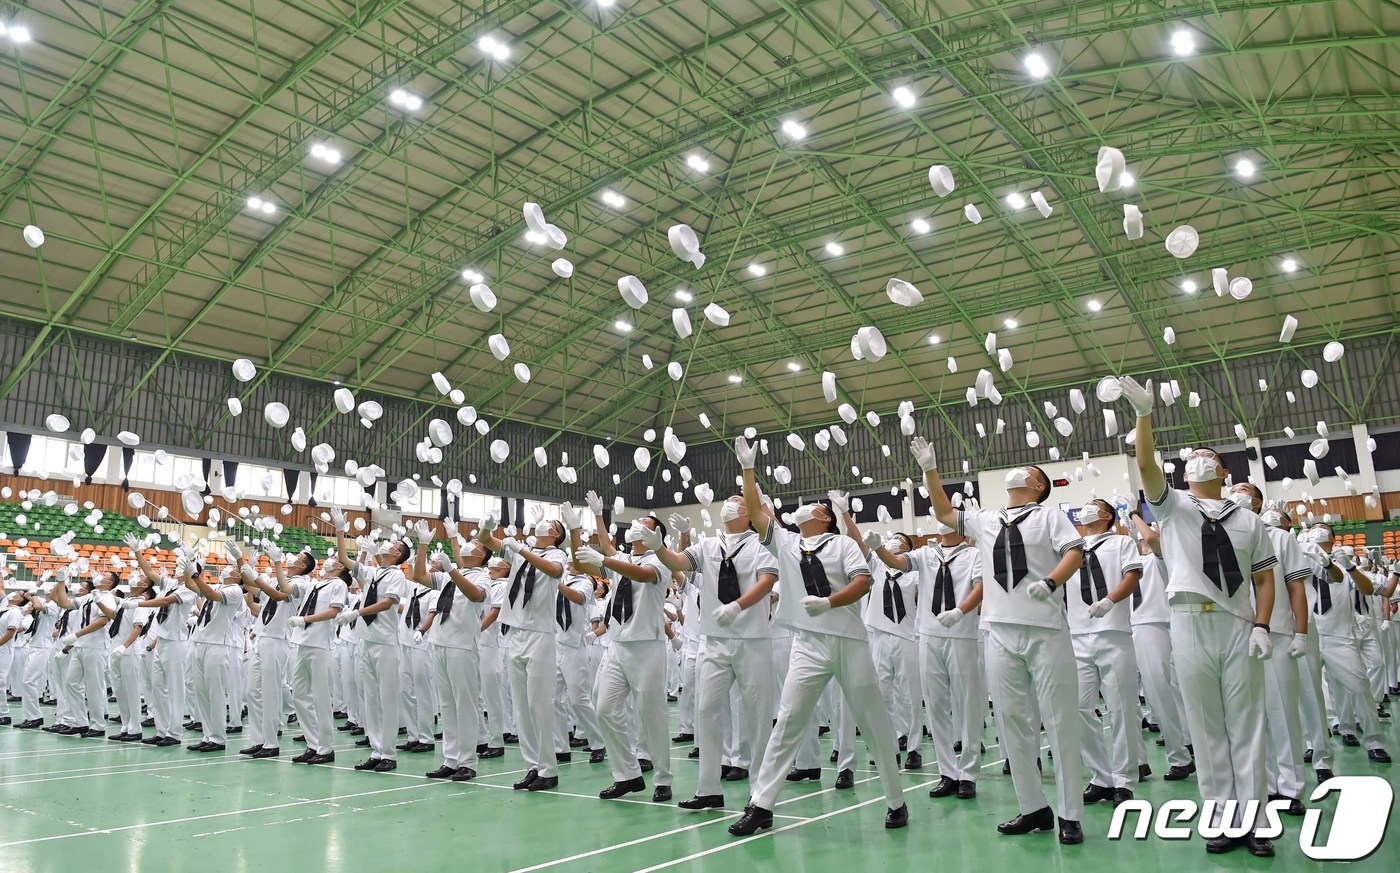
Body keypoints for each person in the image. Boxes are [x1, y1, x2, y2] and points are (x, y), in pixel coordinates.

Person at [1122, 375, 1279, 856]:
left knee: (1247, 723)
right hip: (1188, 621)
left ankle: (1254, 823)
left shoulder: (1249, 518)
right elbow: (1147, 465)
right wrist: (1145, 414)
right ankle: (1220, 819)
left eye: (1208, 455)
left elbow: (1264, 579)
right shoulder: (1174, 508)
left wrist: (1261, 625)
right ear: (1185, 472)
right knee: (1206, 726)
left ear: (1222, 470)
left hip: (1237, 624)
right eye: (1192, 457)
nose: (1199, 457)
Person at [729, 436, 908, 836]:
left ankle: (896, 800)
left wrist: (829, 603)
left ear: (825, 517)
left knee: (874, 722)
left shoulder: (843, 544)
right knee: (788, 722)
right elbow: (756, 512)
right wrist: (748, 469)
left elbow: (862, 584)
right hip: (807, 645)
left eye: (817, 507)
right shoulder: (787, 542)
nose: (807, 507)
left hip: (847, 641)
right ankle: (761, 805)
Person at [916, 436, 1085, 843]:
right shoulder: (986, 518)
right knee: (1012, 722)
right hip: (998, 629)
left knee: (1059, 719)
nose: (1018, 471)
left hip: (1044, 627)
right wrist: (930, 468)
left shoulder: (1048, 517)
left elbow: (1074, 551)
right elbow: (943, 512)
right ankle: (1033, 807)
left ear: (1038, 486)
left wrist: (1051, 580)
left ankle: (1070, 813)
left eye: (1029, 471)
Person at [651, 494, 778, 811]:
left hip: (752, 638)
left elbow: (767, 581)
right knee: (706, 711)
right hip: (714, 640)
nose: (729, 504)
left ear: (749, 512)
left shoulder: (762, 543)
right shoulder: (709, 545)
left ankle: (759, 794)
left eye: (737, 500)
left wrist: (738, 606)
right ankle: (708, 788)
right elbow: (679, 563)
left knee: (758, 718)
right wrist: (657, 546)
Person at [871, 517, 985, 798]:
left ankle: (968, 772)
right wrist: (878, 548)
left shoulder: (975, 554)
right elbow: (898, 563)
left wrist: (960, 611)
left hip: (961, 633)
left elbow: (981, 587)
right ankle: (947, 771)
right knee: (935, 705)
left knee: (967, 702)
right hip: (929, 634)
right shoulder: (926, 553)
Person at [571, 505, 674, 803]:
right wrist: (579, 527)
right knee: (604, 708)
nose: (636, 525)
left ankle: (663, 778)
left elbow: (641, 575)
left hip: (646, 646)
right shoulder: (621, 559)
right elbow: (585, 560)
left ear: (655, 534)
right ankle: (627, 775)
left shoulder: (661, 559)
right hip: (617, 645)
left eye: (643, 523)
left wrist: (606, 558)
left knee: (652, 715)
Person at [477, 508, 568, 791]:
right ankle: (532, 766)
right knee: (521, 705)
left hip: (539, 634)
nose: (543, 524)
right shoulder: (520, 552)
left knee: (540, 703)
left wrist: (521, 550)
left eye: (550, 524)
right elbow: (486, 540)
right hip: (515, 633)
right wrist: (487, 527)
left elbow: (553, 571)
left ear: (555, 535)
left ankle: (549, 769)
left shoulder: (556, 555)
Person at [834, 496, 922, 772]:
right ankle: (890, 746)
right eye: (892, 537)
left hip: (906, 636)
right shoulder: (875, 566)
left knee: (910, 694)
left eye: (901, 540)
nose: (895, 540)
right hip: (879, 635)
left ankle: (914, 748)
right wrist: (846, 512)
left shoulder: (914, 573)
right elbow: (857, 541)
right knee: (882, 694)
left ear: (907, 549)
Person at [1066, 499, 1143, 806]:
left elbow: (1132, 576)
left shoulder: (1122, 543)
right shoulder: (1070, 548)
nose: (1085, 508)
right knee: (1080, 708)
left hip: (1113, 633)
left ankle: (1124, 780)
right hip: (1077, 635)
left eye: (1093, 505)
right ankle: (1102, 777)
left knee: (1121, 708)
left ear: (1107, 515)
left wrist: (1110, 601)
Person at [1301, 523, 1391, 765]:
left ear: (1333, 538)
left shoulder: (1341, 563)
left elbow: (1368, 589)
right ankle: (1315, 743)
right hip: (1308, 635)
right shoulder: (1299, 561)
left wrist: (1350, 567)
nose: (1317, 533)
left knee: (1359, 686)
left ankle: (1375, 741)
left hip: (1338, 636)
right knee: (1311, 695)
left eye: (1322, 530)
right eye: (1314, 529)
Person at [333, 510, 410, 773]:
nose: (389, 544)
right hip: (366, 641)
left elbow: (388, 602)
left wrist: (357, 612)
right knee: (370, 699)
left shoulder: (397, 575)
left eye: (395, 545)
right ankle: (376, 750)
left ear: (398, 554)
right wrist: (341, 530)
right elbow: (344, 559)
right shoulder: (374, 573)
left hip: (385, 643)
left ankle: (388, 753)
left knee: (386, 699)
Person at [414, 524, 488, 781]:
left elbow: (476, 595)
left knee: (464, 705)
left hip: (462, 645)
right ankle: (451, 759)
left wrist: (452, 569)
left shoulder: (481, 575)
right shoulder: (447, 576)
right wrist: (422, 545)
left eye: (476, 545)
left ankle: (468, 761)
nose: (471, 545)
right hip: (440, 641)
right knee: (446, 705)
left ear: (481, 556)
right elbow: (419, 576)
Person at [1125, 513, 1195, 781]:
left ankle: (1180, 754)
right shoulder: (1126, 558)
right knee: (1126, 701)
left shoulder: (1161, 559)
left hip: (1153, 624)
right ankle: (1137, 761)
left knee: (1160, 691)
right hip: (1122, 628)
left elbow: (1153, 539)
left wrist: (1134, 516)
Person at [238, 541, 309, 759]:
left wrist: (274, 563)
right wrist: (242, 563)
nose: (293, 559)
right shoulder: (279, 580)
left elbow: (279, 595)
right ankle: (259, 739)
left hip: (278, 640)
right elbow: (253, 588)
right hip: (263, 638)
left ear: (304, 567)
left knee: (269, 692)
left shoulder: (302, 583)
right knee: (252, 691)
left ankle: (271, 743)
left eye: (299, 559)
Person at [279, 548, 349, 764]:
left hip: (320, 646)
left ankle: (326, 749)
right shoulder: (312, 584)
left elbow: (333, 612)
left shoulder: (339, 584)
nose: (329, 561)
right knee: (300, 695)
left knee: (320, 698)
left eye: (334, 560)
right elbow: (286, 588)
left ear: (340, 567)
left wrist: (305, 619)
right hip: (302, 643)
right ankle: (312, 743)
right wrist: (275, 562)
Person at [127, 537, 198, 747]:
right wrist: (138, 551)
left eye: (182, 567)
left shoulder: (189, 589)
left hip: (176, 642)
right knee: (158, 688)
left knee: (175, 688)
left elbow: (166, 601)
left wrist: (139, 603)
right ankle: (161, 730)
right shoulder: (171, 584)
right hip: (163, 641)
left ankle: (174, 734)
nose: (177, 569)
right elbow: (150, 573)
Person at [183, 552, 245, 752]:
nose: (230, 569)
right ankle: (207, 735)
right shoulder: (218, 586)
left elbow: (209, 595)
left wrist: (195, 574)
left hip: (218, 645)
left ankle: (218, 738)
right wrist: (189, 564)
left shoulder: (235, 590)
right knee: (201, 692)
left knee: (215, 693)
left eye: (234, 570)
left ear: (238, 577)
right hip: (200, 642)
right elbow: (190, 586)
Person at [48, 567, 117, 738]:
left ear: (108, 582)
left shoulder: (107, 597)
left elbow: (103, 620)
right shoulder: (88, 597)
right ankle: (80, 722)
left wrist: (76, 634)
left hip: (96, 646)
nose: (99, 576)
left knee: (94, 687)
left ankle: (98, 725)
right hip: (80, 646)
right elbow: (64, 603)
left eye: (104, 576)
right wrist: (61, 581)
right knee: (71, 683)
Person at [400, 520, 440, 755]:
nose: (428, 569)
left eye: (434, 567)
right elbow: (414, 572)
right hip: (405, 642)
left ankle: (426, 737)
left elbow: (433, 613)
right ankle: (413, 734)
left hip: (422, 643)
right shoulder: (412, 588)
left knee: (422, 691)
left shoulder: (436, 590)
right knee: (406, 690)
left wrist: (421, 630)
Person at [108, 572, 155, 741]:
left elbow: (138, 627)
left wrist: (124, 646)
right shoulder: (127, 602)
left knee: (132, 691)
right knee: (120, 691)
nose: (136, 578)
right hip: (116, 650)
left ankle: (135, 728)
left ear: (144, 586)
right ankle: (125, 725)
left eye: (141, 578)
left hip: (129, 651)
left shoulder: (140, 604)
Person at [15, 583, 61, 729]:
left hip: (42, 647)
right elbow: (27, 595)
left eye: (53, 588)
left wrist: (34, 595)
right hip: (34, 646)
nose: (50, 590)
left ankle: (35, 717)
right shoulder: (43, 601)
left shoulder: (54, 606)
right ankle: (30, 716)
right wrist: (38, 584)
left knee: (29, 682)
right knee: (26, 682)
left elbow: (38, 606)